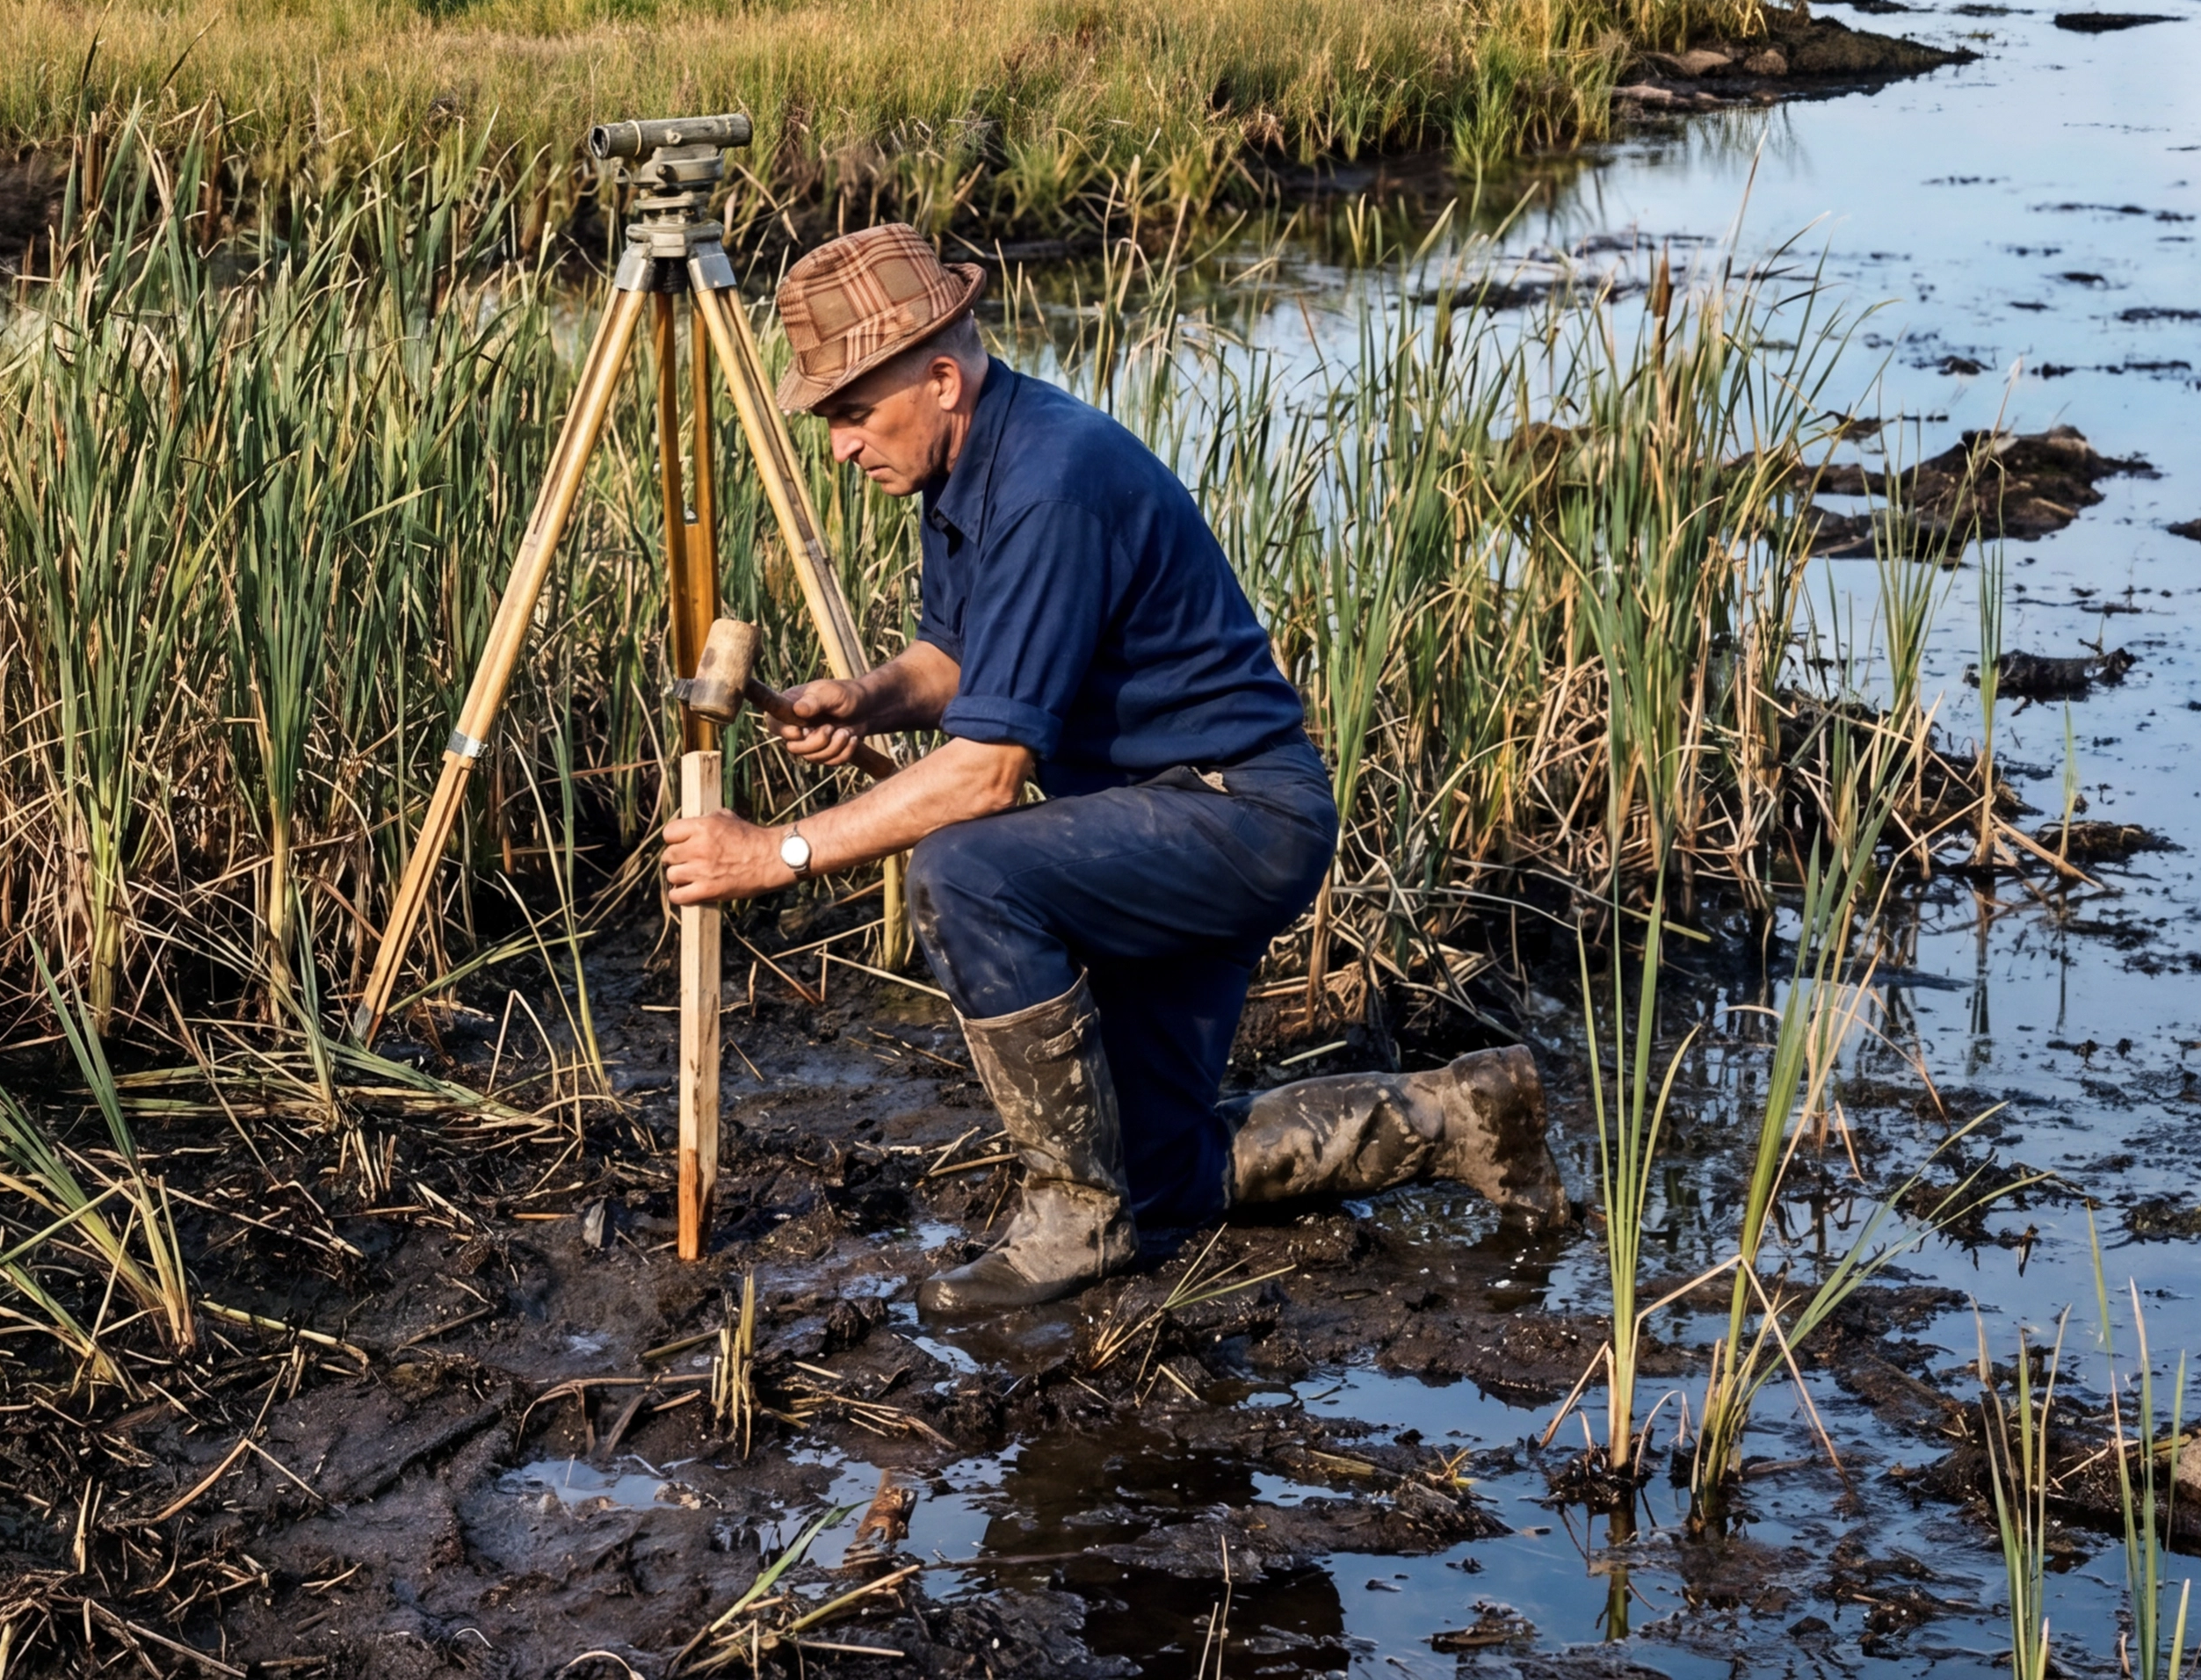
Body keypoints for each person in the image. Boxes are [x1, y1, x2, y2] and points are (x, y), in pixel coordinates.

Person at [660, 224, 1563, 1313]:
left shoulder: (1050, 482)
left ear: (941, 377)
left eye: (853, 413)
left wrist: (778, 852)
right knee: (1162, 1175)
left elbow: (986, 777)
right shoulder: (964, 469)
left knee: (964, 869)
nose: (840, 447)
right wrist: (866, 699)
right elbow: (956, 661)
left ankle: (1071, 1222)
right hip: (1148, 818)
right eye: (829, 420)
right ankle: (1464, 1113)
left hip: (1234, 816)